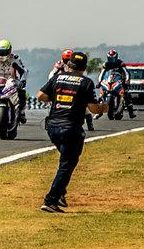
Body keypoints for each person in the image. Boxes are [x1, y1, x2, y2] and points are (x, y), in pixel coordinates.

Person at [36, 51, 105, 212]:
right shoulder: (86, 83)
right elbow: (94, 108)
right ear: (84, 68)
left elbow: (40, 95)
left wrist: (56, 98)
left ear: (69, 65)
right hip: (71, 129)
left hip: (52, 127)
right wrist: (104, 108)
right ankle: (51, 199)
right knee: (67, 164)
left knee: (66, 161)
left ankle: (60, 192)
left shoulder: (57, 77)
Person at [99, 49, 134, 119]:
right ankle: (99, 111)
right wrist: (99, 82)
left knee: (126, 93)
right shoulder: (106, 64)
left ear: (116, 57)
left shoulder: (120, 63)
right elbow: (101, 74)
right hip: (110, 80)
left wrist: (127, 80)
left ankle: (131, 112)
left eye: (112, 58)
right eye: (110, 58)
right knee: (101, 93)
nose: (111, 60)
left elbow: (126, 72)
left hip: (121, 79)